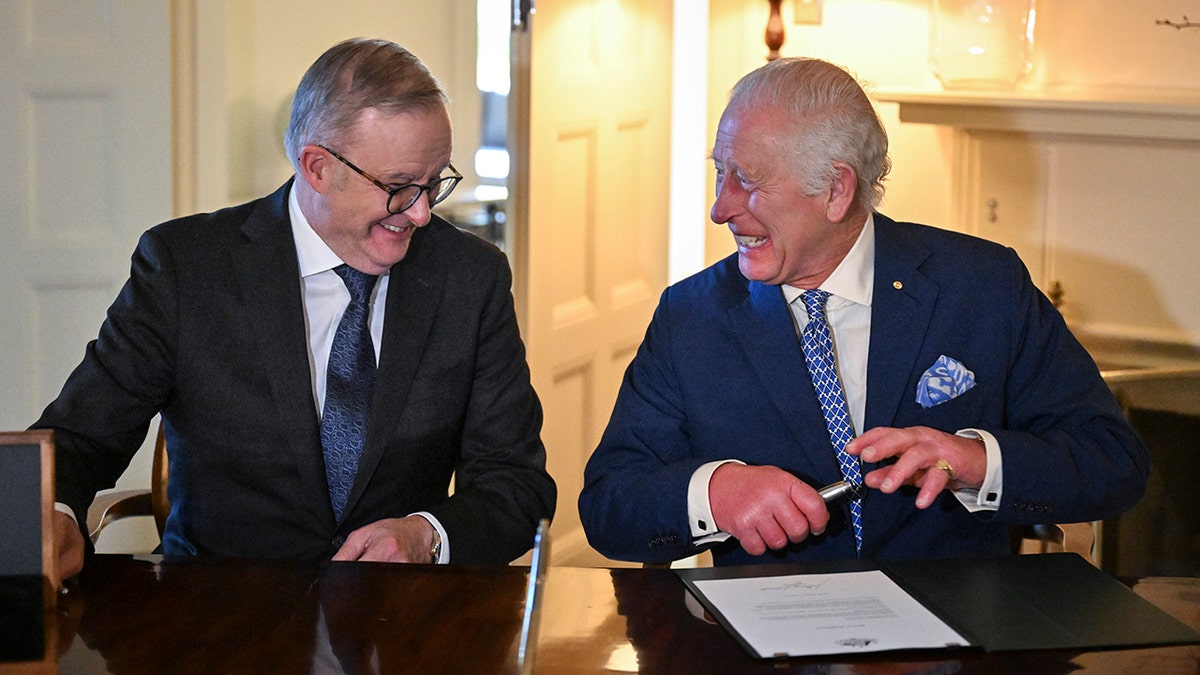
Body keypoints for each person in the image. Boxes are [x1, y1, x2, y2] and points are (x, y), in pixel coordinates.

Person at [577, 57, 1149, 566]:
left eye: (746, 181)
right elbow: (609, 505)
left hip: (954, 639)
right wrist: (714, 493)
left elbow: (1111, 461)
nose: (719, 207)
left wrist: (975, 461)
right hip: (767, 644)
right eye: (719, 172)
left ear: (835, 190)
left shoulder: (982, 285)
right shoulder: (691, 317)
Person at [38, 38, 555, 581]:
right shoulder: (186, 269)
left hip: (401, 623)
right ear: (316, 167)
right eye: (400, 188)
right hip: (218, 619)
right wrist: (57, 514)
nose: (422, 214)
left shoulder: (470, 277)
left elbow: (517, 484)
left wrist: (428, 535)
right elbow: (78, 438)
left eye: (435, 183)